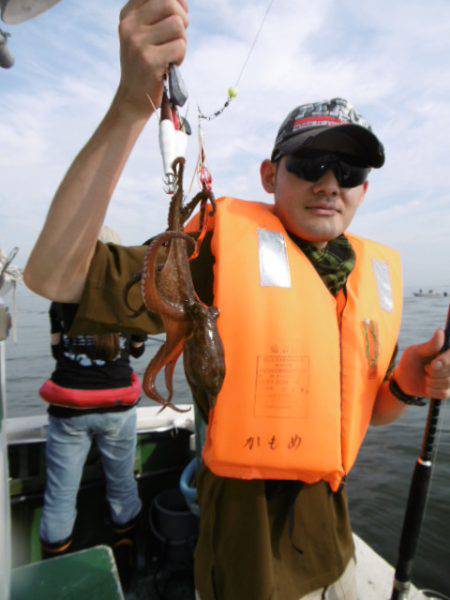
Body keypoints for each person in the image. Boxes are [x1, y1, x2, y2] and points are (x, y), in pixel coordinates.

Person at [23, 1, 450, 599]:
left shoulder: (366, 277)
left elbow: (366, 411)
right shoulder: (212, 257)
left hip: (337, 550)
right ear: (271, 175)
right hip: (249, 569)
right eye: (311, 162)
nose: (330, 182)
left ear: (365, 188)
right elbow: (56, 275)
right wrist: (129, 108)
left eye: (349, 171)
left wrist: (405, 380)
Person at [38, 226, 147, 590]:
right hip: (117, 406)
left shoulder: (60, 298)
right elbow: (135, 351)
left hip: (70, 409)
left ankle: (57, 580)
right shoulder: (129, 298)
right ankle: (128, 563)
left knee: (60, 498)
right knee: (122, 487)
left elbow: (56, 350)